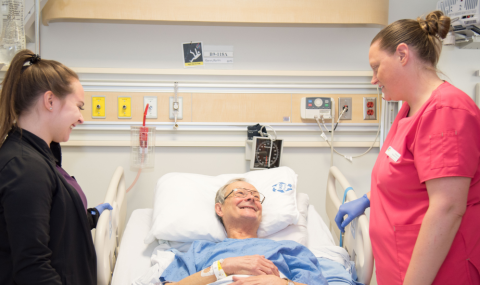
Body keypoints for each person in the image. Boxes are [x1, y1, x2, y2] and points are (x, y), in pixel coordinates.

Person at [335, 10, 480, 285]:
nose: (374, 79)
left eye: (376, 67)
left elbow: (447, 208)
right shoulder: (409, 110)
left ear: (402, 55)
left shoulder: (447, 111)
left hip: (439, 272)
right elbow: (408, 175)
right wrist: (368, 199)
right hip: (403, 263)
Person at [0, 50, 112, 285]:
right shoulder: (24, 168)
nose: (82, 118)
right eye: (79, 106)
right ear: (50, 101)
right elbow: (33, 268)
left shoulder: (39, 156)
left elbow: (50, 223)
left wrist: (90, 217)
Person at [160, 178, 329, 285]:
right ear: (220, 209)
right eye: (240, 193)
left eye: (256, 196)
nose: (251, 198)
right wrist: (222, 267)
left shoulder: (290, 248)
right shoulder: (199, 250)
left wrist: (282, 284)